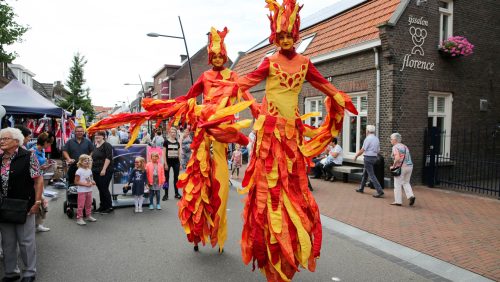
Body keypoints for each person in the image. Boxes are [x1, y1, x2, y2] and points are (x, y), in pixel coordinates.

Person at [235, 1, 358, 280]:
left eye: (289, 35)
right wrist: (224, 92)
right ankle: (267, 247)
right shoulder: (269, 61)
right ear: (276, 38)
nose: (286, 40)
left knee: (292, 189)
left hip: (291, 137)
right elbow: (246, 81)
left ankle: (289, 245)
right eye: (281, 36)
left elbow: (324, 86)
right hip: (270, 134)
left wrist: (340, 99)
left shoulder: (304, 63)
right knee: (267, 191)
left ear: (296, 36)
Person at [0, 127, 43, 282]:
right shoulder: (0, 157)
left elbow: (38, 180)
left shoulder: (28, 156)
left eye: (5, 139)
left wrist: (37, 201)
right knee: (7, 242)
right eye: (1, 139)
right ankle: (11, 272)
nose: (2, 141)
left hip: (23, 205)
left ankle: (30, 272)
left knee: (26, 241)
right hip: (3, 206)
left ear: (16, 141)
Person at [30, 133, 55, 232]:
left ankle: (38, 224)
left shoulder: (42, 150)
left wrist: (45, 166)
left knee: (42, 204)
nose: (50, 145)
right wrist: (42, 167)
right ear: (45, 142)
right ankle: (34, 225)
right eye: (49, 143)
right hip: (33, 181)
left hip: (40, 178)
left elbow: (39, 167)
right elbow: (31, 169)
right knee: (41, 203)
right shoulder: (32, 151)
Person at [354, 125, 384, 197]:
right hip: (374, 158)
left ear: (367, 131)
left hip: (368, 158)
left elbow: (363, 149)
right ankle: (361, 188)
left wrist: (356, 156)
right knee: (365, 173)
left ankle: (379, 191)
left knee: (371, 175)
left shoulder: (368, 139)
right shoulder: (376, 139)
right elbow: (378, 150)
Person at [390, 133, 416, 206]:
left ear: (395, 140)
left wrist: (393, 166)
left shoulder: (395, 147)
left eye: (391, 139)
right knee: (406, 182)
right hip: (410, 166)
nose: (390, 141)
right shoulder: (405, 146)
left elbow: (397, 158)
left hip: (401, 167)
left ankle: (398, 201)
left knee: (397, 184)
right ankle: (411, 196)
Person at [91, 130, 114, 214]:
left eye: (99, 135)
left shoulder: (107, 145)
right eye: (96, 135)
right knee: (100, 188)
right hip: (96, 170)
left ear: (103, 136)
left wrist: (104, 169)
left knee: (104, 188)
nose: (97, 137)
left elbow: (108, 158)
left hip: (105, 170)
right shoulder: (95, 145)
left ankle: (109, 206)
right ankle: (102, 206)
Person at [74, 154, 97, 225]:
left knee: (89, 204)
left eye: (88, 161)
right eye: (85, 161)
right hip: (82, 191)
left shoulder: (89, 170)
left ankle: (88, 215)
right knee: (81, 205)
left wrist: (93, 182)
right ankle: (79, 218)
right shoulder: (79, 171)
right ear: (80, 162)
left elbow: (91, 178)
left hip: (89, 190)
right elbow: (76, 181)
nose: (87, 162)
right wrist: (86, 184)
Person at [163, 127, 181, 200]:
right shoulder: (166, 142)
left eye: (174, 132)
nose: (173, 133)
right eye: (172, 132)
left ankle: (176, 193)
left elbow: (179, 154)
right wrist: (165, 163)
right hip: (168, 163)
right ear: (169, 133)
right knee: (166, 179)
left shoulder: (177, 143)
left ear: (176, 134)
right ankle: (165, 194)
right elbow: (164, 154)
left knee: (176, 178)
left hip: (176, 163)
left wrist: (180, 164)